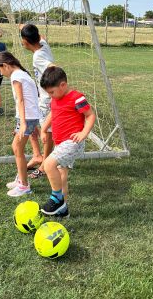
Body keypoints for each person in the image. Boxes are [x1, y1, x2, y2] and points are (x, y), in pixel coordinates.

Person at [39, 66, 96, 217]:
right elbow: (53, 113)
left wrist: (84, 133)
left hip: (72, 142)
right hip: (60, 143)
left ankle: (56, 198)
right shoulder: (56, 98)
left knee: (48, 164)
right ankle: (63, 210)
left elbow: (90, 115)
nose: (51, 96)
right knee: (61, 175)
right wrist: (44, 129)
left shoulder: (77, 98)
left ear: (63, 85)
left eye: (52, 92)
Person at [0, 51, 40, 197]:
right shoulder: (22, 74)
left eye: (0, 70)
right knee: (17, 147)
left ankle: (24, 186)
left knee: (16, 148)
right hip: (29, 118)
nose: (1, 73)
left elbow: (21, 100)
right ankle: (21, 178)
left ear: (6, 65)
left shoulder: (16, 77)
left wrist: (24, 123)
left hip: (27, 118)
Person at [20, 24, 55, 178]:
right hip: (42, 97)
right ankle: (38, 156)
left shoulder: (38, 56)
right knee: (35, 126)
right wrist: (24, 26)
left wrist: (60, 88)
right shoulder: (43, 45)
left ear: (26, 41)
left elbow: (53, 68)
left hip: (47, 101)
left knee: (47, 134)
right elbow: (42, 37)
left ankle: (44, 166)